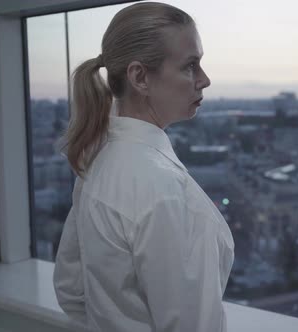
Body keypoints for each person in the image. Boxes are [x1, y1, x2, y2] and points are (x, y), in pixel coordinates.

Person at [53, 2, 234, 331]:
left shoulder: (97, 162)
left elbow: (71, 291)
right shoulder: (166, 192)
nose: (204, 80)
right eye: (190, 66)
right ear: (140, 77)